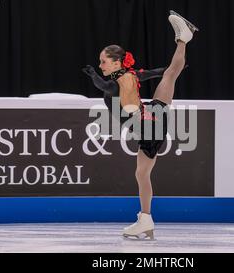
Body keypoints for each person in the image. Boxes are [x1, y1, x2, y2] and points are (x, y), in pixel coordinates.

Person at [83, 10, 198, 240]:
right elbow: (154, 73)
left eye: (103, 62)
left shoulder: (114, 84)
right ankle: (145, 220)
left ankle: (184, 38)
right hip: (150, 121)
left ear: (116, 62)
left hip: (149, 126)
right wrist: (171, 69)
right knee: (169, 75)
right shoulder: (131, 75)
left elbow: (104, 87)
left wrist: (93, 74)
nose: (101, 65)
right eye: (100, 63)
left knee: (142, 174)